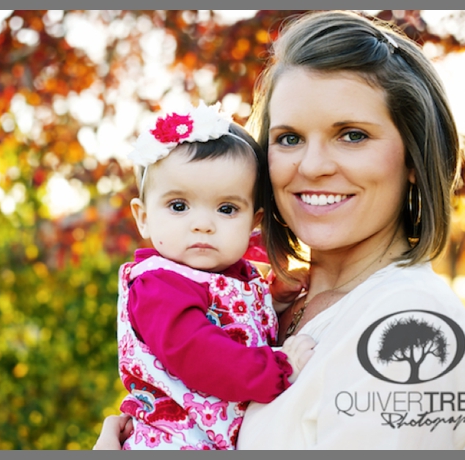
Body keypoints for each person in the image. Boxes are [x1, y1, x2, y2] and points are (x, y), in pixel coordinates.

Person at [95, 10, 465, 450]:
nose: (313, 166)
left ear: (413, 158)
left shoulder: (411, 325)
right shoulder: (273, 303)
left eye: (352, 135)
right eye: (289, 138)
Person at [115, 101, 316, 450]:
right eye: (179, 206)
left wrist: (273, 302)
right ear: (143, 216)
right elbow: (199, 354)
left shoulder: (232, 276)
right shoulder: (158, 285)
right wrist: (278, 367)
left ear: (253, 222)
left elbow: (231, 322)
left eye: (226, 209)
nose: (203, 224)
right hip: (174, 442)